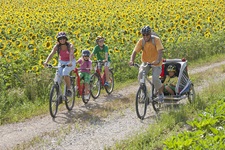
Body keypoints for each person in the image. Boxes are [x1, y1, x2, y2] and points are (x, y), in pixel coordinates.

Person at [129, 26, 164, 102]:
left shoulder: (156, 40)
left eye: (147, 34)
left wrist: (158, 60)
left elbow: (160, 51)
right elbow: (134, 51)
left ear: (150, 33)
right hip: (146, 62)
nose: (145, 36)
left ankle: (160, 94)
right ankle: (144, 93)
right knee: (140, 74)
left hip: (156, 63)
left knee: (155, 79)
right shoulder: (141, 41)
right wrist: (132, 60)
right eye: (143, 35)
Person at [44, 31, 76, 97]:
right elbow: (51, 54)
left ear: (66, 39)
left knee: (65, 72)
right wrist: (46, 62)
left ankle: (69, 89)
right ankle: (59, 96)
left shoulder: (70, 46)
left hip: (71, 61)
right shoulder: (57, 46)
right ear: (58, 40)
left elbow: (71, 54)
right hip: (61, 61)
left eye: (63, 38)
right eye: (60, 39)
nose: (62, 40)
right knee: (57, 79)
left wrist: (70, 62)